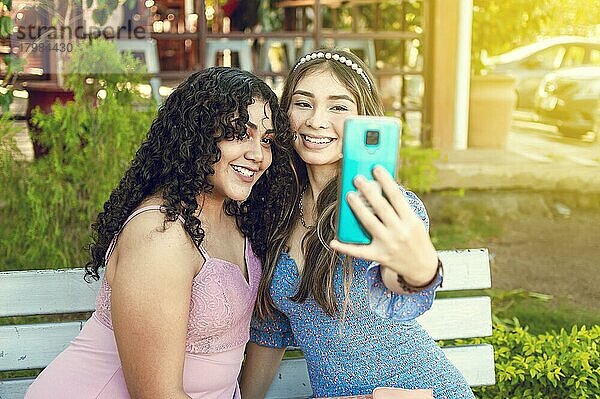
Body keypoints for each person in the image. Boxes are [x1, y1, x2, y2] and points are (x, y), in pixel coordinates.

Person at [25, 67, 292, 399]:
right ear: (198, 133)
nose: (257, 155)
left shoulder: (238, 213)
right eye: (239, 133)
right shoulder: (160, 234)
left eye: (265, 140)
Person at [239, 50, 475, 399]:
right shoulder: (275, 211)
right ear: (285, 114)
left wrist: (422, 272)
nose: (316, 120)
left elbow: (403, 281)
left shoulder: (387, 209)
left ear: (364, 119)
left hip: (418, 391)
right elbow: (270, 331)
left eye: (338, 107)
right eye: (303, 103)